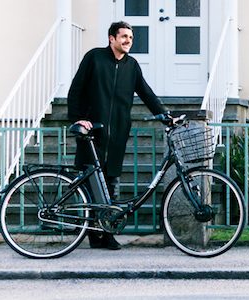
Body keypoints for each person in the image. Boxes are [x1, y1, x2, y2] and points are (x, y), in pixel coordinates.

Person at [67, 21, 167, 250]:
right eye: (123, 36)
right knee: (90, 183)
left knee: (110, 182)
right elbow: (76, 89)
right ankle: (91, 233)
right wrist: (78, 118)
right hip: (91, 132)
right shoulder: (94, 57)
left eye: (130, 37)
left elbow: (146, 92)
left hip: (117, 133)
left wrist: (164, 114)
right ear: (111, 38)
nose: (128, 41)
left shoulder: (132, 65)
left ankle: (106, 233)